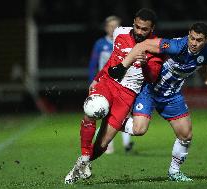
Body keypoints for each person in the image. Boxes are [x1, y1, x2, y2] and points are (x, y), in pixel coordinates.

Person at [65, 8, 163, 184]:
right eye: (138, 26)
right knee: (91, 110)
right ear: (133, 22)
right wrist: (96, 79)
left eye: (144, 29)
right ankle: (85, 158)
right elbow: (113, 60)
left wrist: (145, 65)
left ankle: (80, 164)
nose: (140, 31)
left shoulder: (155, 46)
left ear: (152, 28)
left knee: (103, 144)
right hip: (109, 84)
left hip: (127, 94)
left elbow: (152, 78)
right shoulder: (120, 32)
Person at [122, 22, 207, 182]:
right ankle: (113, 120)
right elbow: (144, 44)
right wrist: (122, 66)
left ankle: (174, 172)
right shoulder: (175, 46)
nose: (193, 43)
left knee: (186, 135)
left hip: (171, 95)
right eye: (191, 38)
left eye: (198, 40)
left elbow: (204, 70)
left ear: (206, 40)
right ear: (188, 35)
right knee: (138, 130)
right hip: (149, 89)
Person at [88, 15, 134, 154]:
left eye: (116, 26)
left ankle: (127, 144)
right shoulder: (100, 44)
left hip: (124, 82)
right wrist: (93, 80)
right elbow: (93, 64)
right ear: (105, 28)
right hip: (106, 82)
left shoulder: (125, 41)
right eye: (110, 26)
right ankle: (106, 144)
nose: (113, 28)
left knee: (124, 112)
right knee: (105, 112)